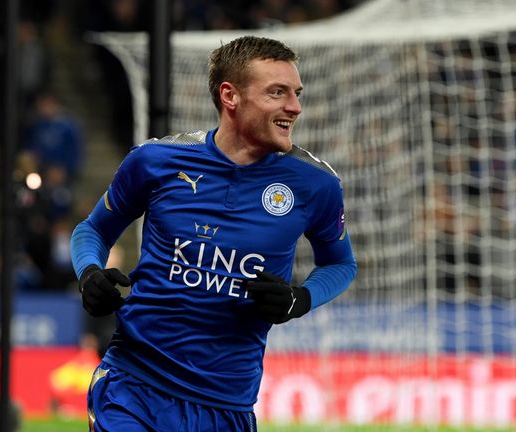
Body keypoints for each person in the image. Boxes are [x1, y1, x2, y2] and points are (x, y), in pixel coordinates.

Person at [70, 35, 357, 431]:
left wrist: (299, 298)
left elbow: (341, 264)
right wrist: (88, 273)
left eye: (296, 93)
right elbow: (93, 230)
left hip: (226, 406)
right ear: (230, 96)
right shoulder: (155, 161)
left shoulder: (315, 184)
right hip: (134, 388)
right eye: (278, 93)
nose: (295, 107)